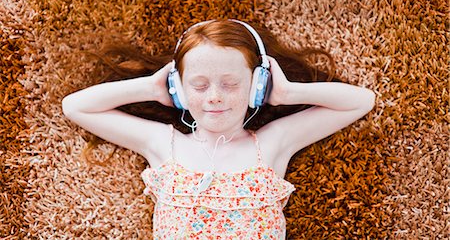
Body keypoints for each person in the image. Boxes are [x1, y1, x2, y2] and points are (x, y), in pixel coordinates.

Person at [62, 19, 375, 239]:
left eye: (230, 84)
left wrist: (287, 94)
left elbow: (361, 102)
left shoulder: (270, 144)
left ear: (257, 86)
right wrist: (151, 88)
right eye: (198, 86)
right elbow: (75, 107)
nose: (214, 96)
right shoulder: (163, 144)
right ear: (179, 90)